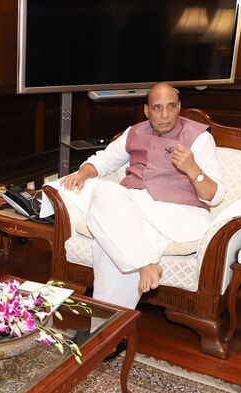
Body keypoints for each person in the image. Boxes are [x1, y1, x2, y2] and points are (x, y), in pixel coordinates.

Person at [58, 82, 226, 310]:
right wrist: (82, 174)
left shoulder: (199, 138)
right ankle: (144, 268)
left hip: (179, 214)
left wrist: (193, 169)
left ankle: (104, 330)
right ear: (147, 111)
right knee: (105, 194)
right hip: (135, 207)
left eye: (171, 107)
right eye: (157, 108)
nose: (165, 115)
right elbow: (103, 161)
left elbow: (215, 197)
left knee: (108, 238)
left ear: (179, 107)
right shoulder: (133, 132)